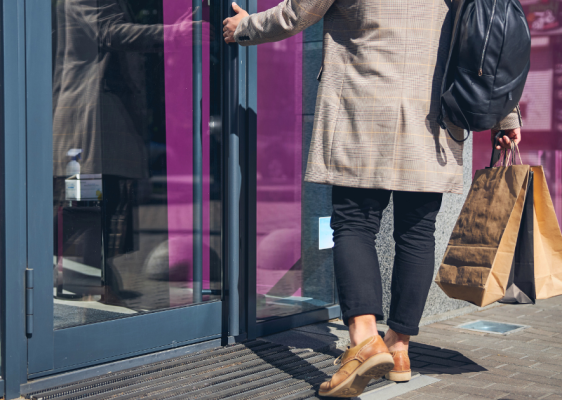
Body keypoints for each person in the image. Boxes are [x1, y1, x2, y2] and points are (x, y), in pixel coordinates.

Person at [223, 1, 522, 397]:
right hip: (436, 115)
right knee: (417, 232)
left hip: (364, 104)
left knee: (354, 223)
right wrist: (506, 117)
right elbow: (490, 37)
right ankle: (398, 350)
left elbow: (297, 14)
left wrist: (245, 26)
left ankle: (364, 340)